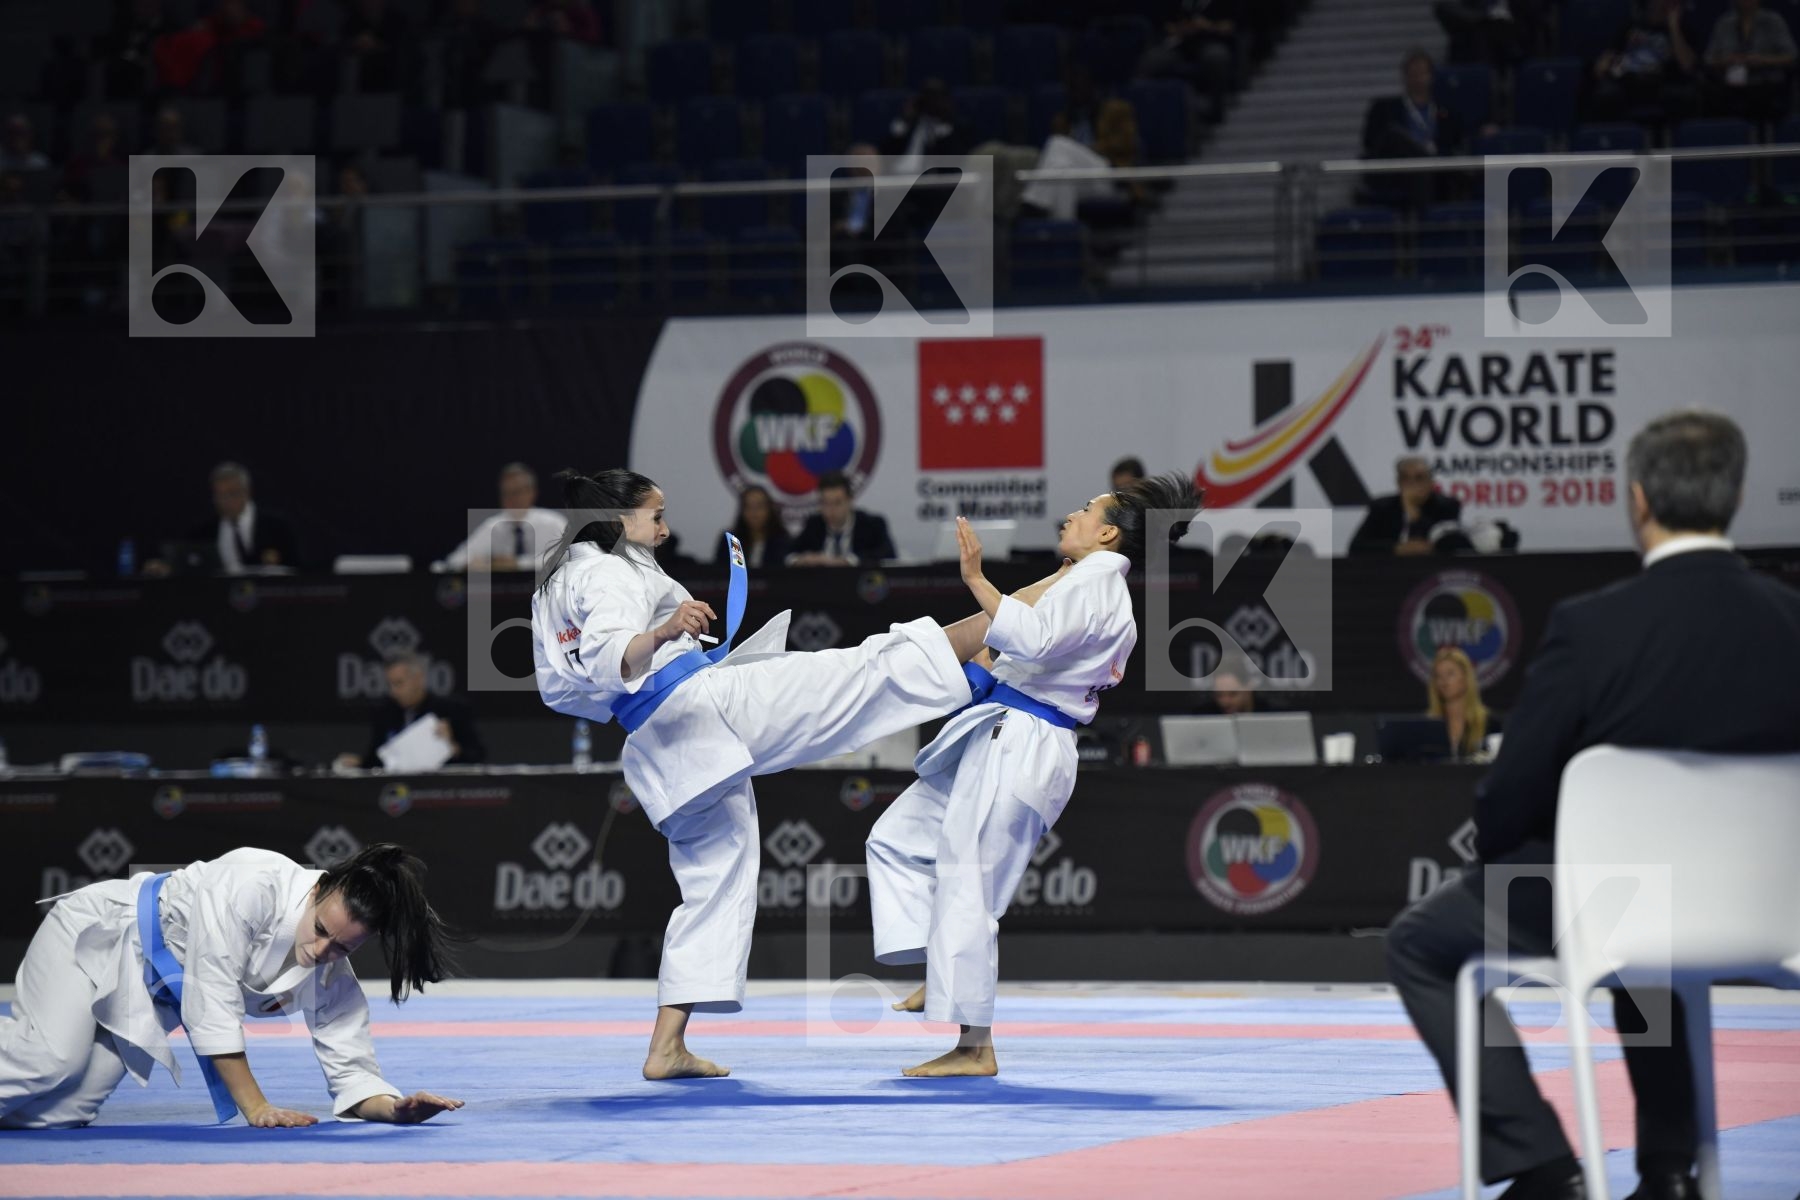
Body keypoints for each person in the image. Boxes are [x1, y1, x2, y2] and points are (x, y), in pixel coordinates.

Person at [1386, 411, 1800, 1200]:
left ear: (1636, 500)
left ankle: (1539, 1166)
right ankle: (1669, 1170)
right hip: (1780, 911)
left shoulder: (1595, 628)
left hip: (1622, 905)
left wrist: (1509, 855)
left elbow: (1511, 795)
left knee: (1422, 941)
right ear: (1738, 494)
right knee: (1641, 926)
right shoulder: (1792, 623)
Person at [530, 469, 1059, 1080]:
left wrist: (656, 663)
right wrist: (666, 633)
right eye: (655, 516)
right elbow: (612, 654)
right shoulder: (604, 569)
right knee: (861, 672)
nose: (666, 528)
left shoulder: (554, 586)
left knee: (715, 880)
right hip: (705, 708)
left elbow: (562, 692)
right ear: (620, 520)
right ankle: (1012, 618)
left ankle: (666, 1046)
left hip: (658, 744)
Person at [868, 475, 1203, 1077]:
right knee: (897, 838)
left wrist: (975, 579)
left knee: (972, 886)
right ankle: (944, 965)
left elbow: (1038, 639)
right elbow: (1022, 646)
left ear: (1107, 533)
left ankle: (975, 1047)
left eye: (1084, 509)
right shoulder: (1081, 583)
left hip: (1026, 742)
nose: (1069, 515)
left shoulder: (1100, 586)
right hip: (1005, 729)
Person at [1, 843, 462, 1129]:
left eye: (342, 948)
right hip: (97, 936)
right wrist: (256, 1106)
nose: (322, 951)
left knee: (61, 1115)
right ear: (320, 889)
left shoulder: (329, 976)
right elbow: (211, 999)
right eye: (321, 929)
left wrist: (397, 1109)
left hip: (147, 993)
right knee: (48, 1060)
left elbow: (352, 1072)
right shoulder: (253, 880)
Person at [335, 653, 486, 771]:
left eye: (399, 683)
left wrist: (453, 747)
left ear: (419, 679)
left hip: (439, 791)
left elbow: (478, 756)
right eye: (390, 684)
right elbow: (378, 760)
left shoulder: (452, 710)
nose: (393, 691)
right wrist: (359, 764)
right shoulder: (385, 713)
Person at [1360, 49, 1466, 208]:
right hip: (1398, 172)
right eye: (1413, 73)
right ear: (1404, 76)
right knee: (1395, 135)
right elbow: (1372, 143)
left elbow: (1455, 145)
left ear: (1431, 76)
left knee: (1427, 169)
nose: (1417, 78)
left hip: (1437, 175)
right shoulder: (1384, 109)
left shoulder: (1447, 114)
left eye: (1422, 73)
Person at [1592, 0, 1699, 129]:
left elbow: (1687, 66)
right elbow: (1606, 61)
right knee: (1606, 95)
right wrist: (1605, 65)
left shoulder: (1683, 29)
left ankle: (1673, 142)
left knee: (1683, 97)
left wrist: (1673, 27)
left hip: (1663, 83)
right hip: (1629, 82)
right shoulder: (1631, 26)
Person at [444, 462, 569, 572]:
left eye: (517, 492)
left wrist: (517, 564)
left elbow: (571, 556)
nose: (512, 499)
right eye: (506, 493)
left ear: (532, 492)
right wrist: (472, 563)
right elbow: (454, 561)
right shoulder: (492, 526)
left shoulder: (553, 522)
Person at [1702, 0, 1796, 125]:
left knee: (1766, 101)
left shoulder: (1773, 21)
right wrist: (1727, 60)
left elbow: (1791, 56)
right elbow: (1708, 59)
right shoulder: (1725, 23)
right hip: (1731, 87)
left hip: (1767, 84)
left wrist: (1762, 60)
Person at [1349, 456, 1464, 556]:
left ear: (1431, 483)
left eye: (1419, 478)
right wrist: (1396, 548)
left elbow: (1449, 546)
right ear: (1398, 483)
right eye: (1405, 478)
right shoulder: (1382, 507)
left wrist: (1415, 516)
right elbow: (1356, 547)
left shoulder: (1447, 506)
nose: (1412, 484)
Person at [788, 470, 897, 566]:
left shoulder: (872, 524)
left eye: (837, 503)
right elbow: (787, 553)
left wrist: (847, 562)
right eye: (824, 503)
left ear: (850, 501)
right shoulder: (814, 524)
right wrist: (801, 560)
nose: (830, 510)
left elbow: (888, 554)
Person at [1426, 646, 1501, 758]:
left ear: (1466, 678)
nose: (1443, 681)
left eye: (1450, 674)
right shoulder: (1427, 726)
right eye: (1438, 676)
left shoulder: (1490, 724)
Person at [716, 484, 791, 571]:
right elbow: (721, 573)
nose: (754, 513)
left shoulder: (782, 541)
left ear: (770, 510)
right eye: (748, 507)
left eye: (759, 507)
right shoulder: (732, 541)